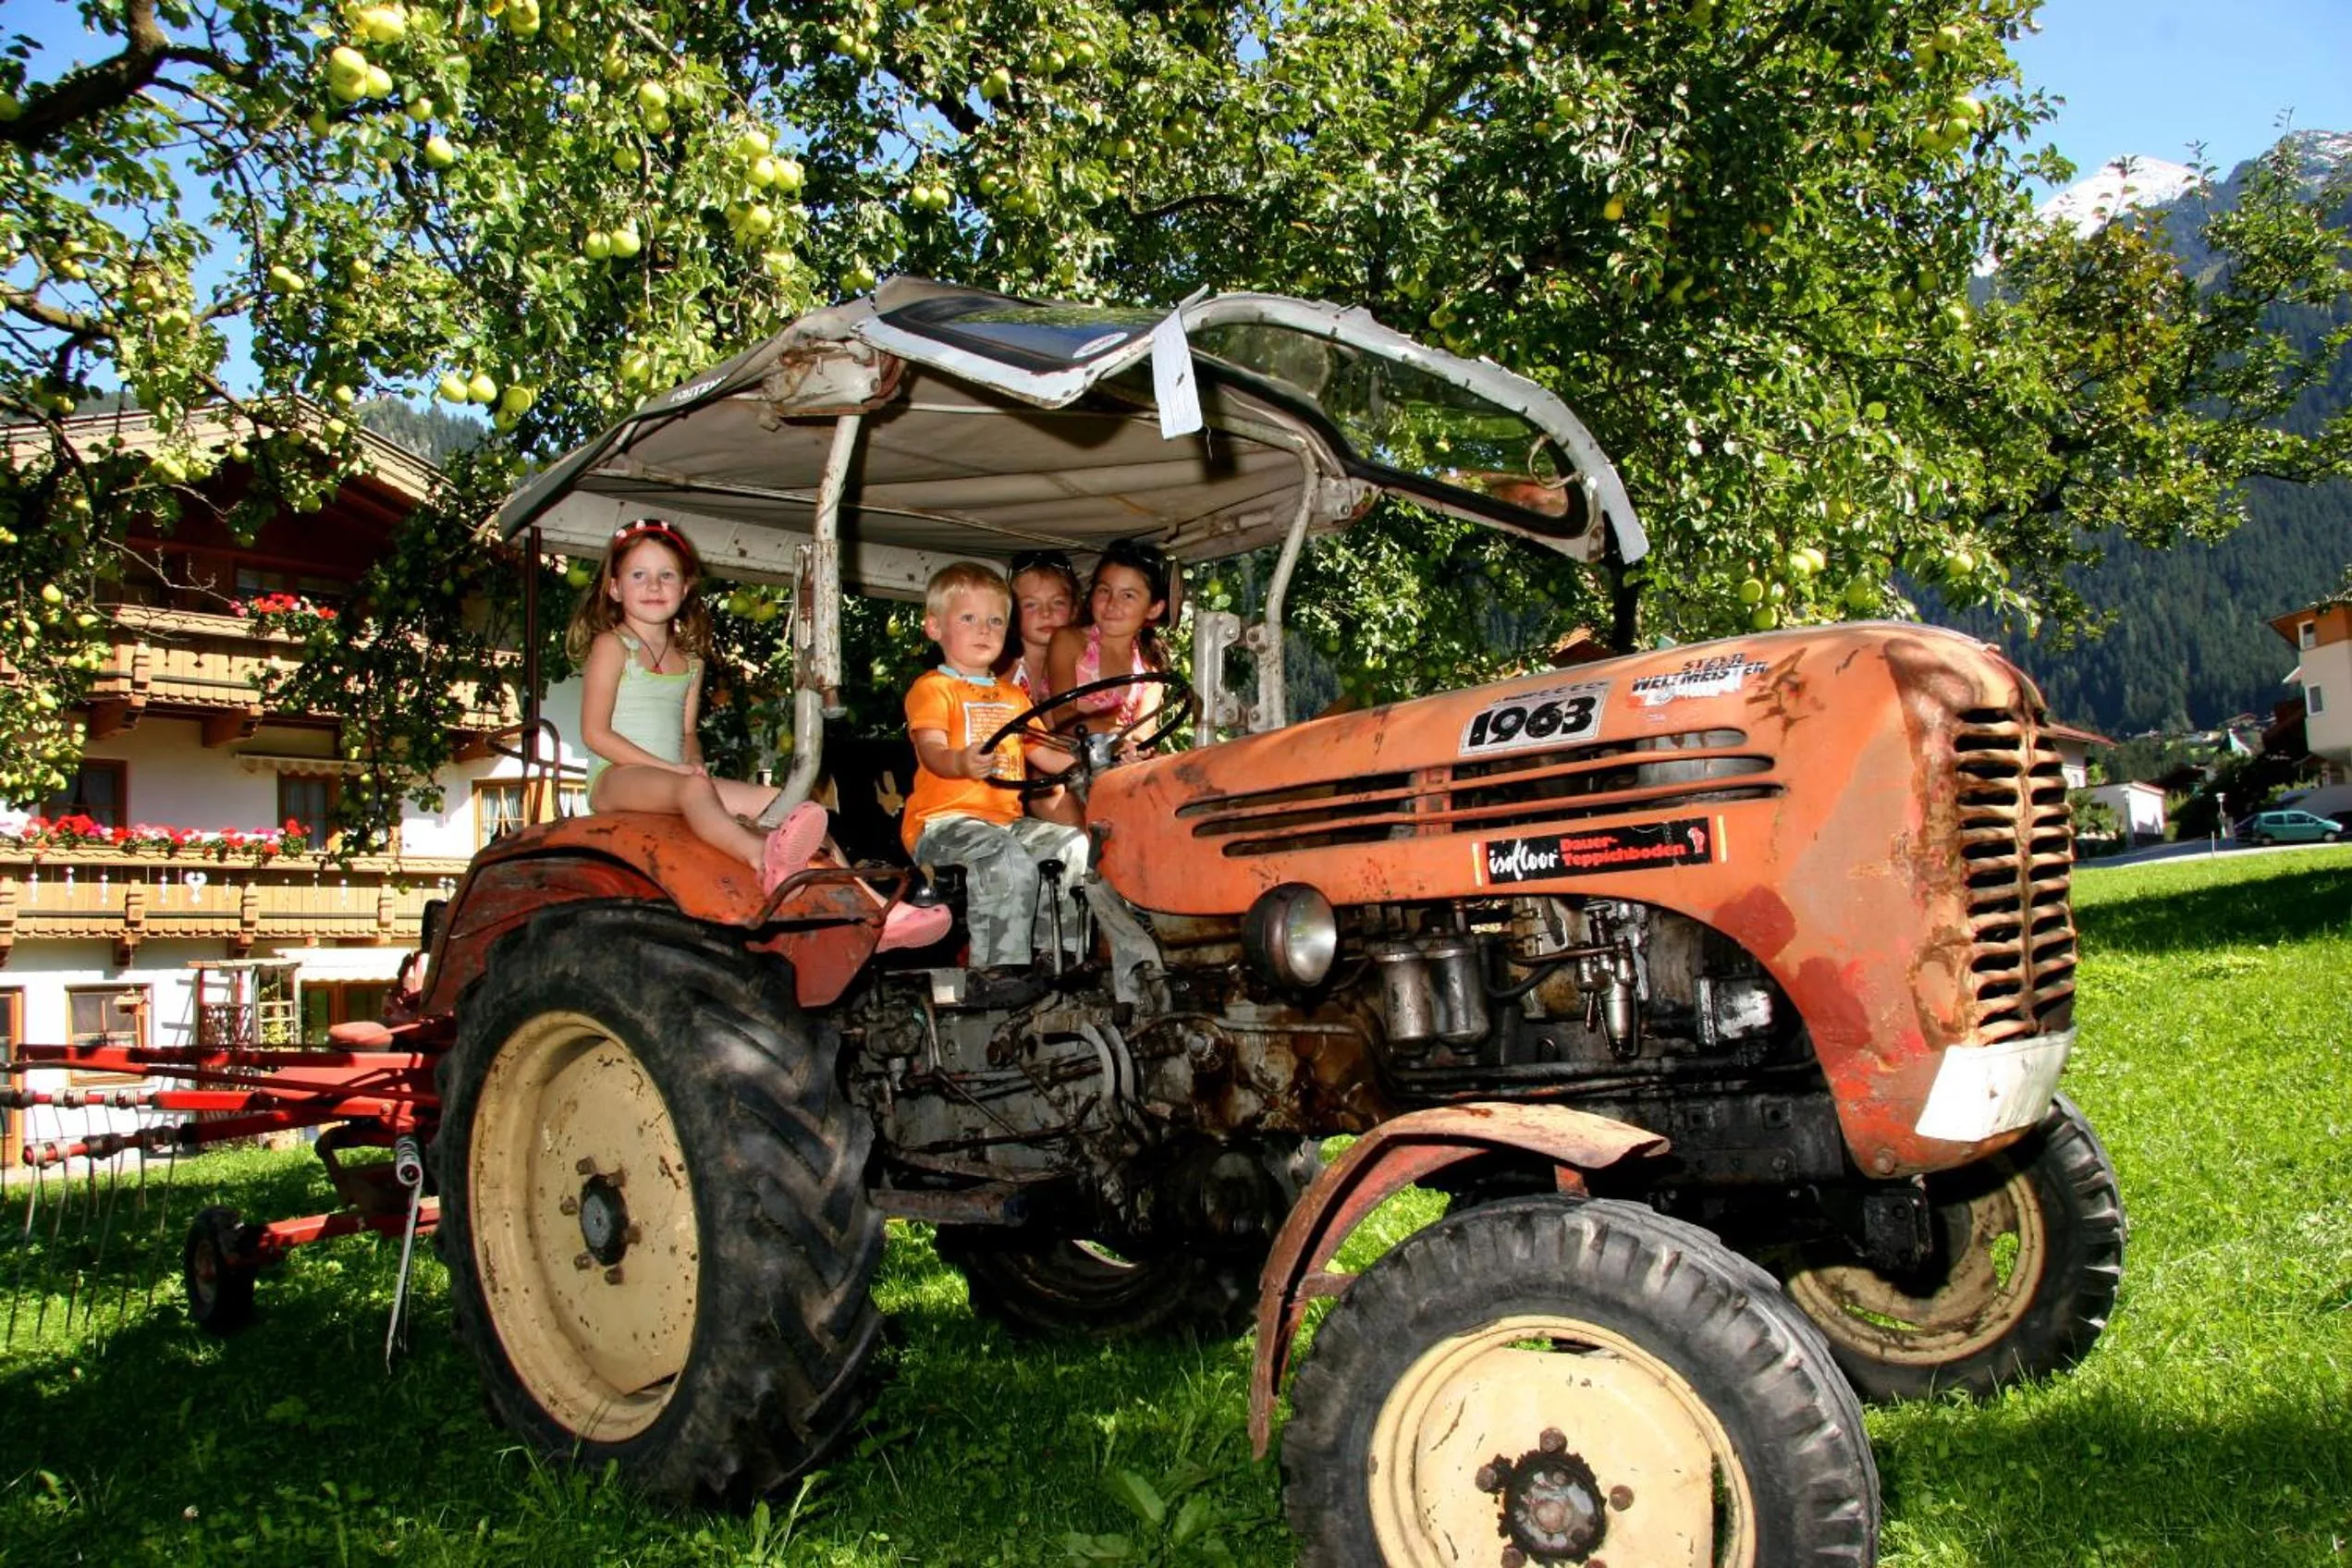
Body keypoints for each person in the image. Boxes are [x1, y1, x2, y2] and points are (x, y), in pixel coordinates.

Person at [570, 518, 827, 889]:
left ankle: (875, 904)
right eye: (638, 575)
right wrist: (672, 771)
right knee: (692, 789)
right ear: (614, 588)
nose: (654, 586)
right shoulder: (611, 646)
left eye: (667, 575)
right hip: (616, 777)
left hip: (675, 777)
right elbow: (595, 734)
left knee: (783, 800)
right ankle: (761, 858)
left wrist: (693, 764)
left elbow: (688, 732)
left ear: (686, 586)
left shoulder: (691, 660)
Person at [903, 561, 1087, 973]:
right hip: (943, 826)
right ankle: (999, 970)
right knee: (1004, 859)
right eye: (968, 618)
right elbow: (931, 750)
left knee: (1071, 844)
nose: (984, 629)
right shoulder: (932, 689)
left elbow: (1049, 754)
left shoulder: (1014, 697)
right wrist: (961, 761)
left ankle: (1057, 955)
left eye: (995, 621)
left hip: (1004, 824)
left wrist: (1095, 758)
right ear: (935, 627)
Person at [1047, 536, 1181, 748]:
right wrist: (1119, 735)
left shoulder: (1150, 671)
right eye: (1104, 591)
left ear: (1154, 608)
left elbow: (1144, 735)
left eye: (1127, 596)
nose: (1111, 604)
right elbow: (1063, 718)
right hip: (1059, 767)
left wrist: (1134, 746)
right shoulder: (1069, 642)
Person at [999, 548, 1082, 704]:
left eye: (1058, 603)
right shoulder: (1001, 667)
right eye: (1031, 605)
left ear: (1074, 610)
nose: (1046, 613)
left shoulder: (1084, 667)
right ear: (1011, 612)